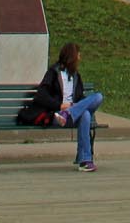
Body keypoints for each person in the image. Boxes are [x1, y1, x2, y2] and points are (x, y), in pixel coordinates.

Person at [18, 42, 103, 171]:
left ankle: (84, 160)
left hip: (69, 115)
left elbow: (80, 98)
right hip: (56, 115)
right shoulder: (53, 73)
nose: (80, 58)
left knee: (97, 98)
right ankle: (85, 160)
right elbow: (41, 96)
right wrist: (60, 106)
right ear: (72, 56)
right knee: (85, 114)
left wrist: (74, 107)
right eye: (78, 54)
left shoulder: (76, 76)